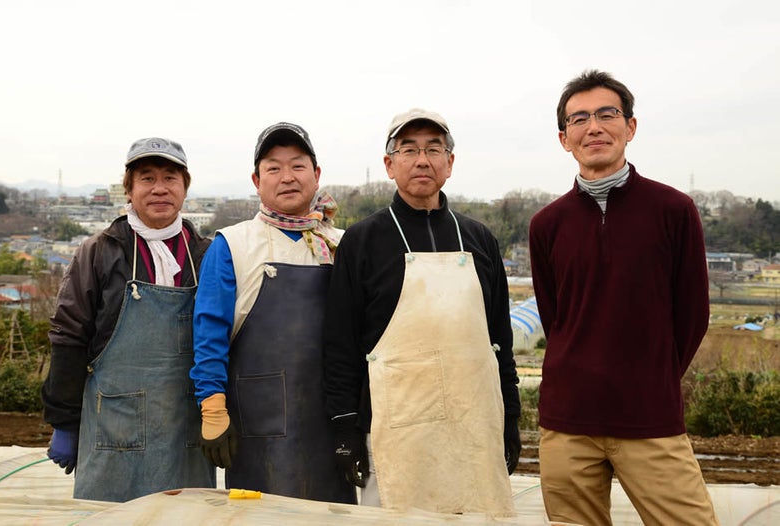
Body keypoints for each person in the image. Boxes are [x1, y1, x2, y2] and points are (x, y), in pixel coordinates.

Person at [529, 69, 719, 525]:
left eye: (606, 114)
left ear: (630, 127)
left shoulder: (673, 210)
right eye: (579, 119)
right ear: (564, 139)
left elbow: (693, 313)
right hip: (567, 422)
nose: (593, 127)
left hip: (649, 418)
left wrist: (652, 378)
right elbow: (556, 317)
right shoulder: (547, 224)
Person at [322, 108, 521, 516]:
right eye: (409, 150)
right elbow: (340, 344)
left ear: (450, 162)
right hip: (395, 430)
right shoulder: (362, 241)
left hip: (474, 428)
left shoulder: (480, 239)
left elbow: (500, 340)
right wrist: (345, 427)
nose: (422, 160)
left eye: (434, 149)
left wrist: (511, 417)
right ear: (389, 164)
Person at [41, 137, 215, 502]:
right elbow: (68, 337)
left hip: (186, 428)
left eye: (170, 178)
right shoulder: (99, 252)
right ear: (129, 189)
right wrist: (65, 422)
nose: (159, 188)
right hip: (114, 429)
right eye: (147, 178)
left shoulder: (206, 254)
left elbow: (223, 339)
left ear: (185, 187)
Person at [189, 122, 354, 504]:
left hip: (332, 422)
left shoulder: (341, 245)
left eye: (297, 166)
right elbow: (209, 332)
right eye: (274, 168)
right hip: (257, 426)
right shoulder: (232, 245)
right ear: (257, 180)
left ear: (316, 174)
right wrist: (212, 406)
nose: (287, 177)